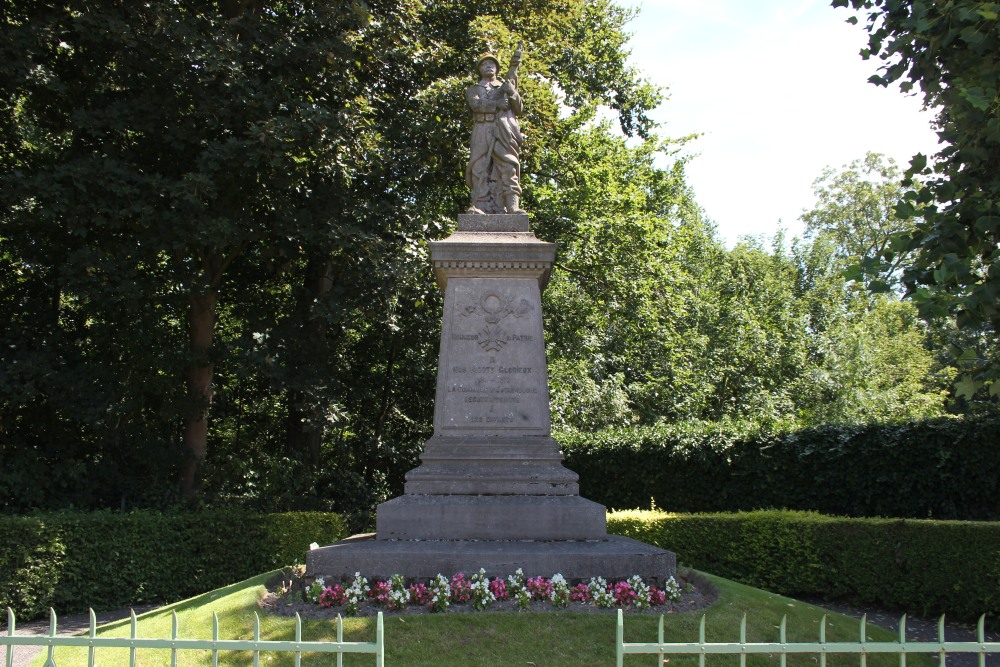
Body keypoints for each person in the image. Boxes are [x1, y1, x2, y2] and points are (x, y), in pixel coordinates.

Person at [465, 50, 525, 214]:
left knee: (508, 165)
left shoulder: (506, 86)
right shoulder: (473, 90)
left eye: (492, 63)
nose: (489, 66)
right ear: (479, 69)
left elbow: (518, 109)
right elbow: (476, 106)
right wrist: (497, 104)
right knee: (479, 166)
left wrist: (512, 92)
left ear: (497, 68)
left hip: (503, 128)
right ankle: (480, 206)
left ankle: (512, 206)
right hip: (482, 128)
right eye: (484, 64)